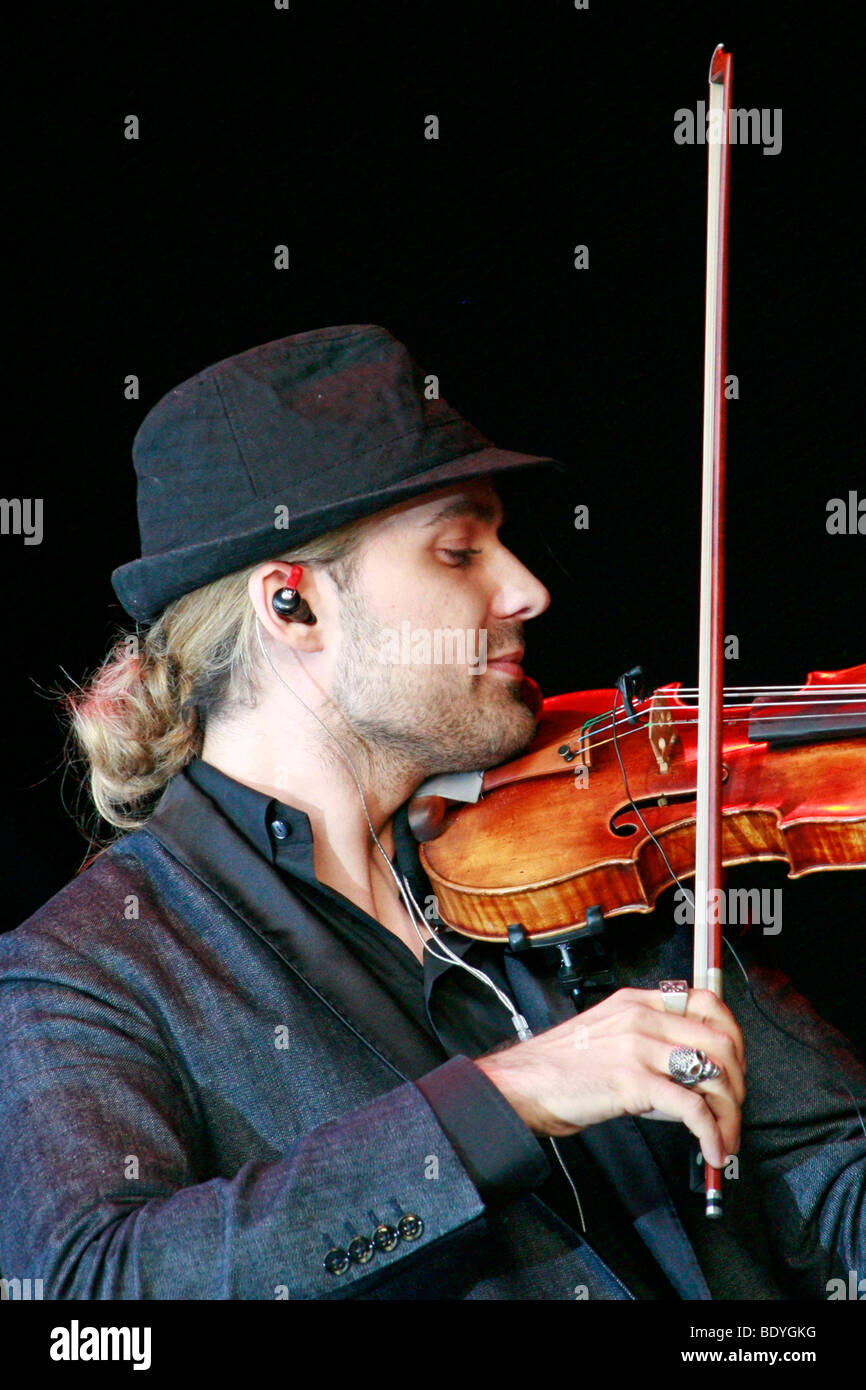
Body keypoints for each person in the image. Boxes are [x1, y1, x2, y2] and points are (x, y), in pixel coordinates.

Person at [0, 324, 862, 1300]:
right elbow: (85, 1290)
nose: (526, 588)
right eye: (459, 550)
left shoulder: (597, 846)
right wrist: (510, 1096)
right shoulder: (94, 969)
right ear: (294, 608)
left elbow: (834, 1196)